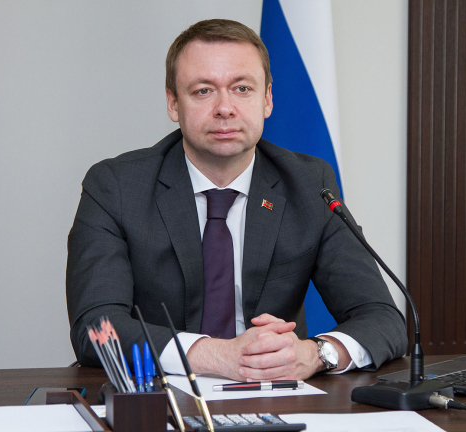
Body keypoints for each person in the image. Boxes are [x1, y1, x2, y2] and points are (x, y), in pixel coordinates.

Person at [66, 19, 406, 382]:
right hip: (158, 394)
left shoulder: (309, 185)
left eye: (242, 88)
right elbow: (95, 326)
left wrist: (314, 354)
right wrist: (216, 356)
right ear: (173, 104)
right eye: (203, 91)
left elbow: (383, 319)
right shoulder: (117, 187)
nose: (225, 108)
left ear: (267, 99)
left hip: (275, 393)